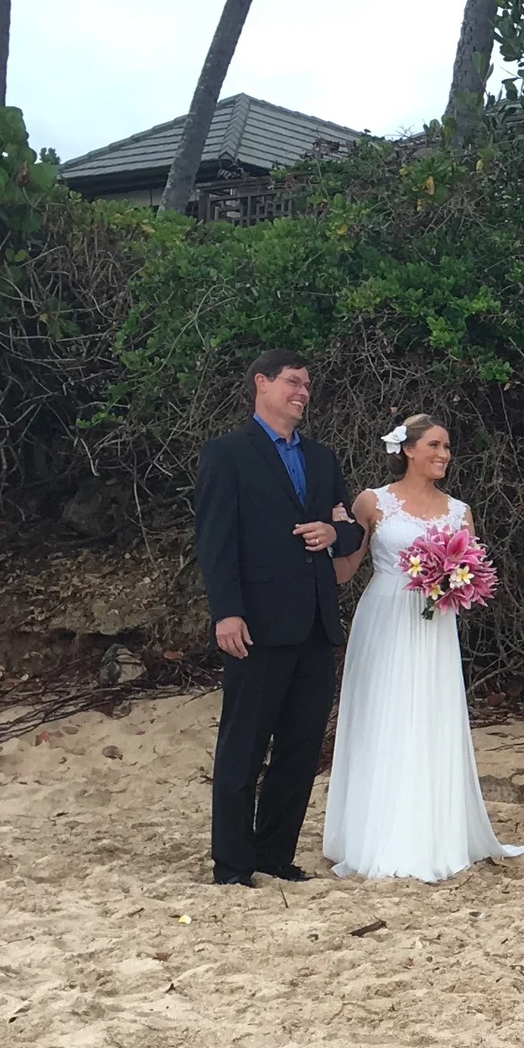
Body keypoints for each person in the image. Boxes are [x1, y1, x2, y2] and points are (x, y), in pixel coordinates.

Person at [321, 413, 524, 881]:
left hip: (435, 625)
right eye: (434, 445)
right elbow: (346, 571)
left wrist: (458, 582)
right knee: (385, 715)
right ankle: (373, 833)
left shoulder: (459, 511)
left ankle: (432, 832)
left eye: (448, 447)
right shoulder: (373, 502)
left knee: (430, 716)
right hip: (385, 616)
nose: (443, 455)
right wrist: (334, 533)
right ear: (408, 451)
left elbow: (472, 569)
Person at [195, 350, 365, 888]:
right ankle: (232, 862)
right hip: (257, 623)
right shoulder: (226, 454)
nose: (303, 393)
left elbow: (353, 529)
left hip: (315, 622)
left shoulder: (322, 457)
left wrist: (335, 533)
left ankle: (274, 852)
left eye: (308, 385)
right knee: (244, 742)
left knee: (299, 744)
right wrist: (227, 613)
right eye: (293, 382)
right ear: (261, 384)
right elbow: (215, 543)